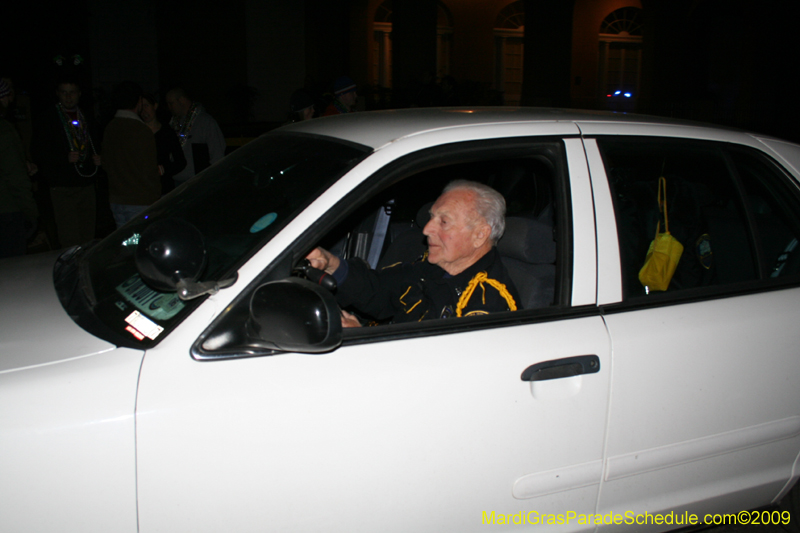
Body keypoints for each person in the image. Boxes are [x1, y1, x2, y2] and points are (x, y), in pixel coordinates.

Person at [307, 180, 519, 327]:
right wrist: (331, 264)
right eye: (431, 218)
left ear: (480, 235)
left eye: (443, 222)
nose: (427, 229)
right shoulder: (433, 267)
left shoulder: (489, 302)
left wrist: (363, 340)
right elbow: (378, 289)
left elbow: (443, 372)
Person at [31, 79, 101, 248]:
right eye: (64, 92)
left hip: (86, 183)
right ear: (57, 94)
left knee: (88, 236)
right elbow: (39, 153)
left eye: (72, 92)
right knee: (69, 237)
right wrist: (64, 159)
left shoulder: (86, 117)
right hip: (62, 186)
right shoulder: (48, 119)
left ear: (79, 94)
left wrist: (97, 158)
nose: (68, 97)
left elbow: (95, 143)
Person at [102, 81, 160, 228]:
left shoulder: (110, 127)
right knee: (141, 243)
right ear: (138, 101)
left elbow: (106, 163)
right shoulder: (141, 130)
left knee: (126, 244)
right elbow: (149, 170)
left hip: (117, 200)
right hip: (140, 201)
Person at [1, 87, 38, 258]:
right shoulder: (5, 130)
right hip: (8, 212)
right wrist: (31, 213)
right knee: (13, 270)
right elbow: (15, 177)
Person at [165, 88, 226, 186]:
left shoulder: (205, 122)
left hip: (197, 183)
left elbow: (217, 153)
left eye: (171, 103)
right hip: (176, 182)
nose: (169, 107)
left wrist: (209, 179)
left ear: (181, 100)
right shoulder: (173, 123)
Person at [140, 93, 186, 195]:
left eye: (146, 105)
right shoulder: (137, 133)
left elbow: (180, 162)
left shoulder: (167, 132)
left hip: (164, 188)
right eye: (141, 107)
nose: (144, 111)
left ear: (154, 106)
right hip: (143, 190)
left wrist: (163, 169)